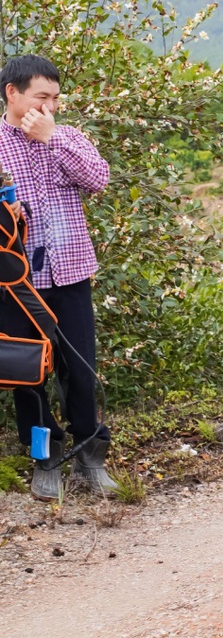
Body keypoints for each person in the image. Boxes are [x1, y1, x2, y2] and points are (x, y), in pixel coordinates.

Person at [0, 54, 116, 500]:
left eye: (55, 99)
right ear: (13, 93)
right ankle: (44, 460)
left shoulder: (67, 136)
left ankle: (91, 457)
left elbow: (98, 179)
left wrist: (52, 140)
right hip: (17, 282)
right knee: (28, 374)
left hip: (69, 273)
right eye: (40, 97)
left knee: (80, 370)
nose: (49, 107)